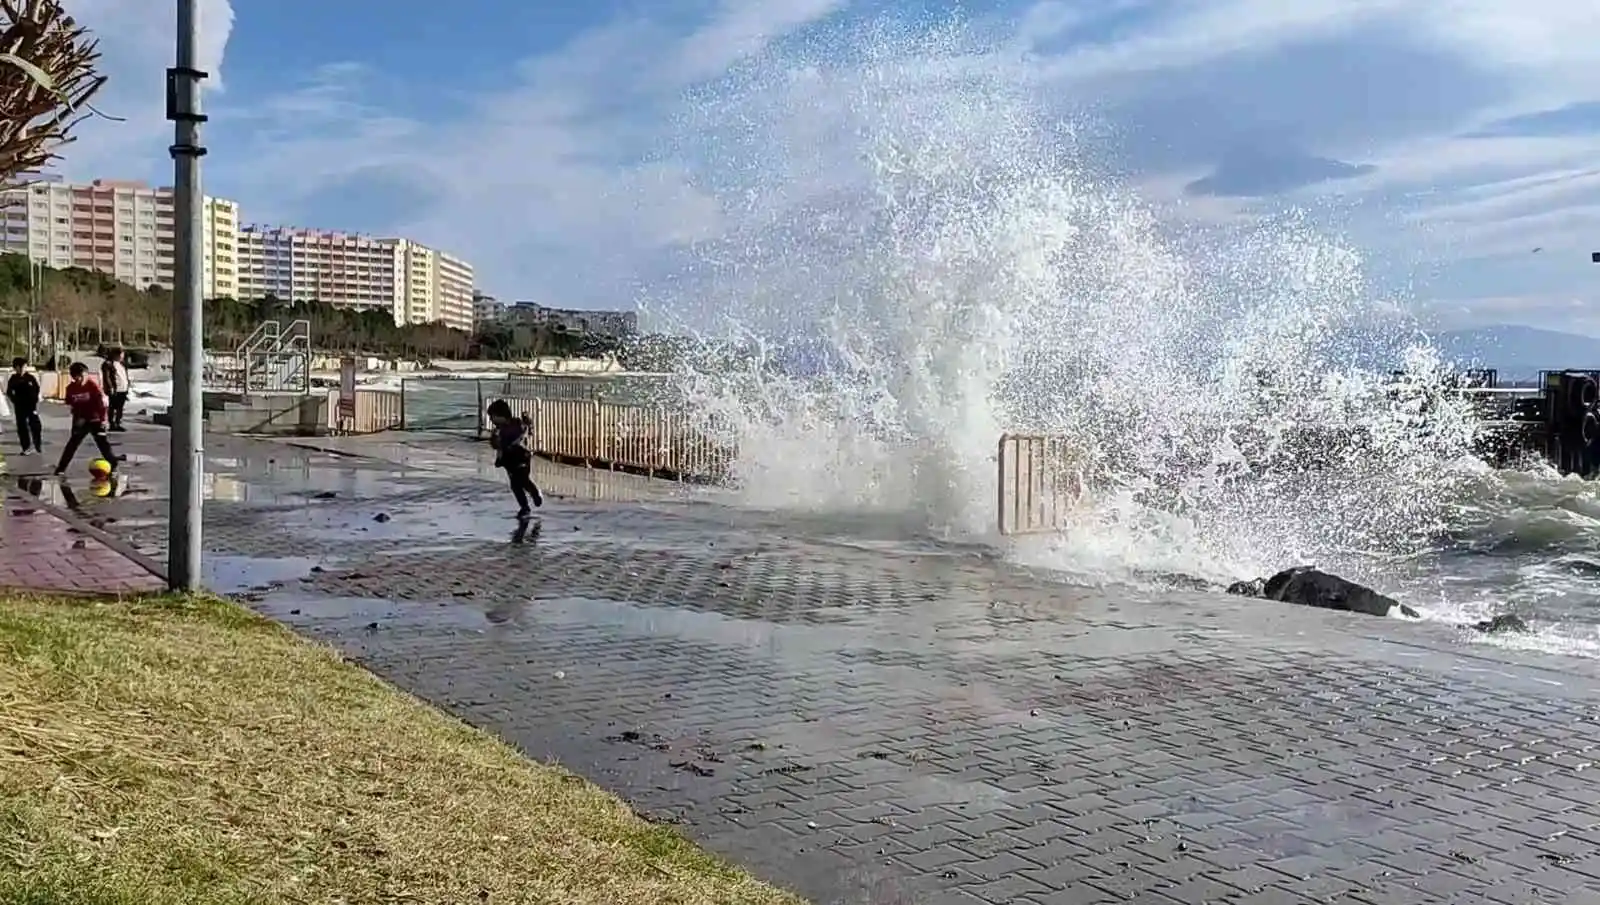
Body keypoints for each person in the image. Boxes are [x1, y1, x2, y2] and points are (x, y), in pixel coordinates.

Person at [55, 362, 118, 477]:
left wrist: (104, 420)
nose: (81, 379)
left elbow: (102, 405)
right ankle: (61, 468)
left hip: (96, 419)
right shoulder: (70, 388)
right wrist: (78, 417)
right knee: (72, 444)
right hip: (80, 421)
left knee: (102, 444)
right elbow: (72, 404)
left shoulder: (93, 387)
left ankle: (113, 465)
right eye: (77, 377)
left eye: (83, 376)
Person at [486, 398, 543, 516]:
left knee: (522, 480)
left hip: (522, 457)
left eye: (493, 416)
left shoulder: (516, 423)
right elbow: (496, 446)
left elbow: (526, 430)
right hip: (509, 461)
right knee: (515, 485)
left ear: (501, 415)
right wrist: (495, 442)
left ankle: (535, 494)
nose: (491, 420)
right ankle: (525, 506)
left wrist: (527, 421)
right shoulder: (498, 431)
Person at [5, 357, 41, 455]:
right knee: (22, 426)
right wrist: (15, 400)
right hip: (19, 406)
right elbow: (9, 391)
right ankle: (26, 447)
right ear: (15, 368)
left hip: (31, 405)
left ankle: (37, 445)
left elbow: (37, 389)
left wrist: (35, 399)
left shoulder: (30, 378)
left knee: (36, 425)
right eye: (19, 367)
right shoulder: (13, 379)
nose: (21, 369)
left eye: (24, 367)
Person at [100, 347, 130, 431]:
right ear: (116, 354)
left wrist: (128, 385)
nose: (122, 356)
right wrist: (110, 387)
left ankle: (118, 423)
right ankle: (112, 424)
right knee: (113, 407)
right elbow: (107, 377)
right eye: (121, 354)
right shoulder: (108, 364)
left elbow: (124, 376)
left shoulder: (122, 364)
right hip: (115, 389)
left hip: (123, 388)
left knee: (120, 407)